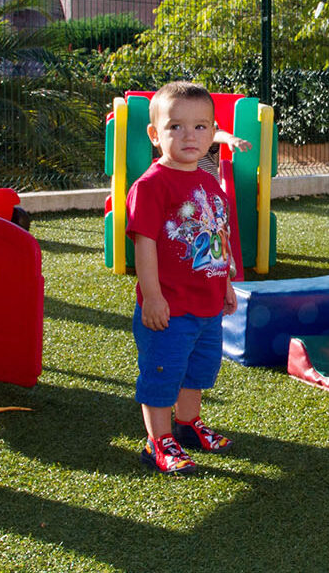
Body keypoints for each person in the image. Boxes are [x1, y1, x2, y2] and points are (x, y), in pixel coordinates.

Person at [127, 81, 240, 475]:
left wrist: (224, 282)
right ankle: (157, 441)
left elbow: (215, 236)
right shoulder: (151, 186)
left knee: (198, 369)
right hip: (170, 308)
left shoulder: (209, 182)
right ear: (155, 134)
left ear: (213, 133)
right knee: (163, 371)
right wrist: (153, 297)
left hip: (206, 304)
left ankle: (188, 424)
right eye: (175, 127)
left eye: (200, 127)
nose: (189, 136)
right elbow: (144, 245)